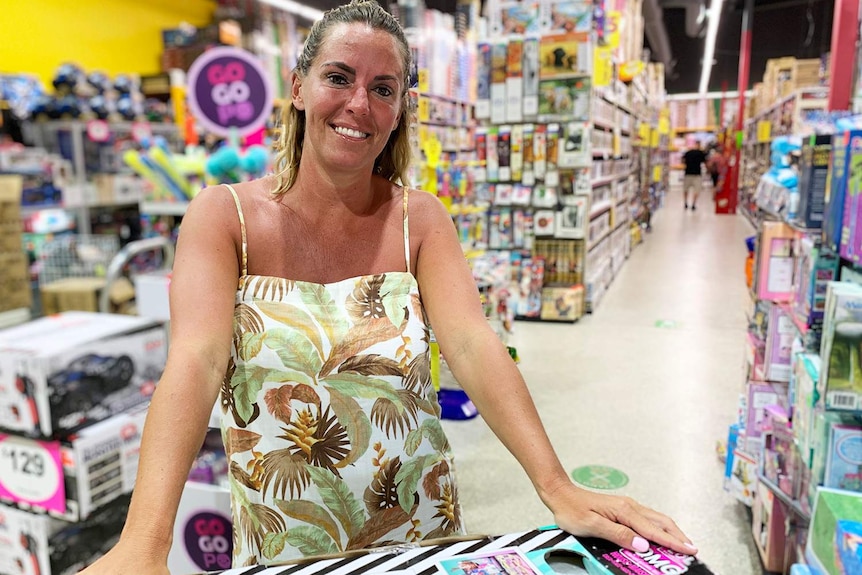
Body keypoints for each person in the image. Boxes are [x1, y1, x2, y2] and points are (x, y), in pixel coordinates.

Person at [80, 1, 696, 571]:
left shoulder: (419, 221)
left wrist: (557, 486)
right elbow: (196, 360)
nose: (359, 104)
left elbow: (473, 344)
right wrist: (145, 541)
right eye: (339, 78)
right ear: (298, 87)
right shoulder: (224, 218)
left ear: (400, 107)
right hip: (286, 545)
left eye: (382, 88)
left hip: (420, 535)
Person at [682, 142, 707, 210]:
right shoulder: (701, 153)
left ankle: (686, 203)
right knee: (697, 190)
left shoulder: (688, 153)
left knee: (686, 189)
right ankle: (693, 204)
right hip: (697, 174)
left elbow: (683, 161)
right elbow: (705, 162)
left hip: (688, 173)